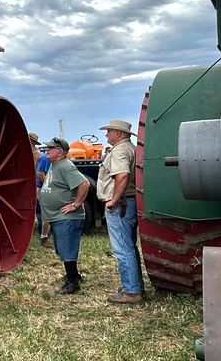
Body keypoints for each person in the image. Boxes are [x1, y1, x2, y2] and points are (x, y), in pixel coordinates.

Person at [98, 120, 144, 304]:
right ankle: (134, 285)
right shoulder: (130, 148)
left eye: (109, 131)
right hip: (129, 201)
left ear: (118, 133)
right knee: (129, 246)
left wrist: (113, 200)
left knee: (122, 248)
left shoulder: (119, 151)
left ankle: (132, 291)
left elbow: (122, 174)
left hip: (121, 204)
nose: (106, 134)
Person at [39, 137, 90, 294]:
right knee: (63, 248)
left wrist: (75, 205)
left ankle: (72, 283)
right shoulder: (56, 165)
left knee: (67, 248)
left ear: (59, 152)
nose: (46, 150)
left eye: (50, 148)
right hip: (58, 216)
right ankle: (73, 275)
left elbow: (84, 184)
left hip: (67, 218)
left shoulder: (65, 166)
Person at [36, 145, 52, 247]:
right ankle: (43, 237)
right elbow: (40, 173)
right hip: (43, 188)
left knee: (46, 214)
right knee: (46, 214)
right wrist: (51, 185)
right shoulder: (45, 158)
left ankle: (44, 236)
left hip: (43, 187)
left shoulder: (45, 157)